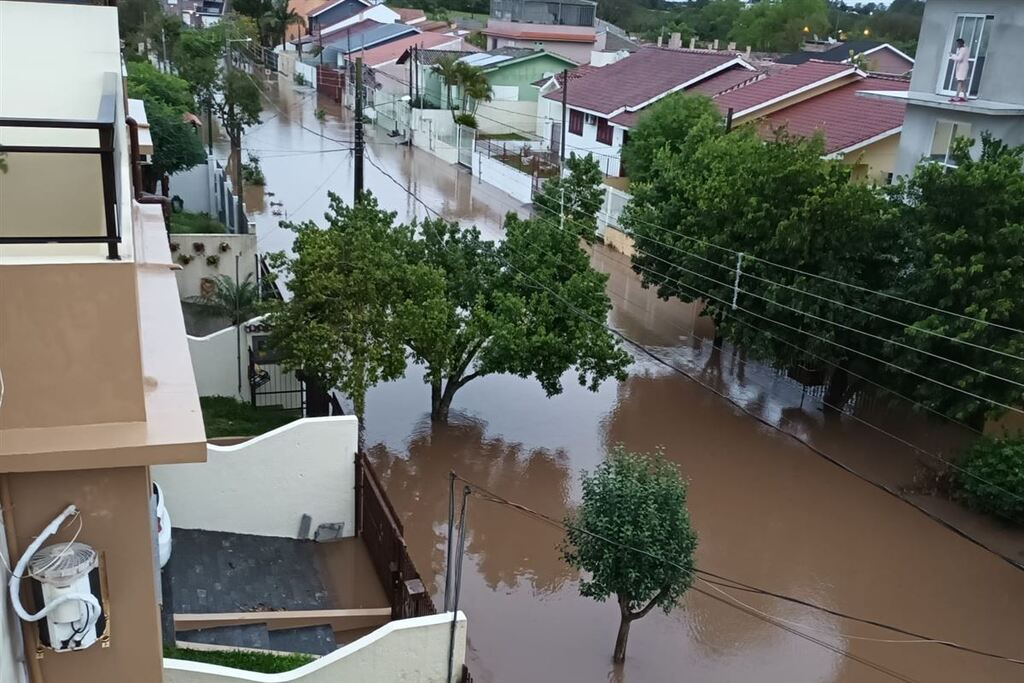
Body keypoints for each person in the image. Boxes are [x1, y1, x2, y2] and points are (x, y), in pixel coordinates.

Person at [951, 38, 970, 103]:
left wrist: (952, 56)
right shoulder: (966, 49)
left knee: (960, 81)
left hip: (962, 67)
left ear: (960, 43)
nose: (957, 45)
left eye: (957, 43)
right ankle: (965, 97)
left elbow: (959, 58)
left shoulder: (962, 50)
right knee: (962, 82)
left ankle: (956, 96)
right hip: (964, 66)